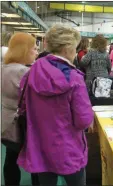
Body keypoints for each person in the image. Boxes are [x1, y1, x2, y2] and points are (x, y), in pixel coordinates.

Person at [17, 24, 94, 186]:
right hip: (69, 148)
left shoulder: (31, 73)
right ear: (67, 48)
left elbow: (24, 105)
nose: (75, 52)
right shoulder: (74, 78)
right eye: (74, 48)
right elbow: (83, 120)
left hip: (40, 145)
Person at [2, 32, 39, 186]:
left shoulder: (3, 68)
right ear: (25, 50)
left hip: (6, 121)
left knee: (11, 157)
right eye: (34, 49)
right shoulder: (25, 72)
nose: (37, 52)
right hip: (24, 123)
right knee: (36, 160)